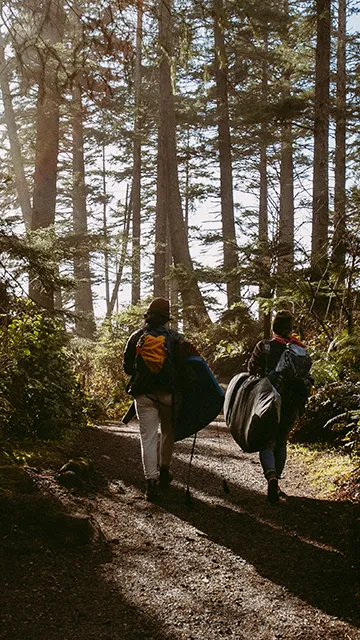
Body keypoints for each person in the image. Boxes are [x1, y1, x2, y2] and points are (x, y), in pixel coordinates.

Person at [123, 297, 195, 502]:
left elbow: (127, 367)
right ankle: (164, 471)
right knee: (168, 432)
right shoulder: (175, 338)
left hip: (143, 395)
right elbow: (186, 368)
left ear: (148, 315)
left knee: (148, 437)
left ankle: (150, 483)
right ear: (166, 318)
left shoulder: (136, 336)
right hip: (168, 395)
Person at [247, 310, 312, 504]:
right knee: (281, 440)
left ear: (274, 327)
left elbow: (251, 371)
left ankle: (271, 476)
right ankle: (278, 480)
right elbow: (307, 375)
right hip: (291, 401)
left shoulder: (264, 346)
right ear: (290, 327)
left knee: (267, 441)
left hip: (268, 401)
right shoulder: (300, 349)